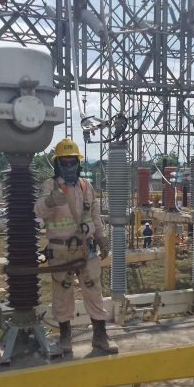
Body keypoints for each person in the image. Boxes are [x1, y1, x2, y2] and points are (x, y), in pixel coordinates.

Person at [34, 138, 118, 355]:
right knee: (62, 295)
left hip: (86, 249)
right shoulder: (51, 186)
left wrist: (101, 237)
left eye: (73, 162)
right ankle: (65, 339)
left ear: (78, 163)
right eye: (65, 162)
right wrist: (51, 201)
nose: (70, 165)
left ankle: (100, 336)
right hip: (61, 251)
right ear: (58, 164)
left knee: (94, 292)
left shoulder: (85, 185)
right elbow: (39, 210)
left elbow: (94, 214)